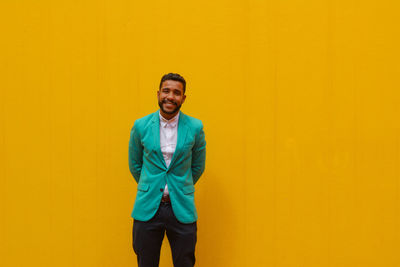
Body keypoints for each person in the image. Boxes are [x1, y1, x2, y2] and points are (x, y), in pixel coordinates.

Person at [128, 73, 206, 267]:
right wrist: (151, 185)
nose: (170, 96)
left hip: (181, 207)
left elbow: (197, 166)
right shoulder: (141, 125)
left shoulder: (195, 127)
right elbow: (135, 164)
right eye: (166, 91)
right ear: (158, 94)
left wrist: (179, 186)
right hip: (148, 208)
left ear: (183, 98)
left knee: (185, 262)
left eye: (176, 93)